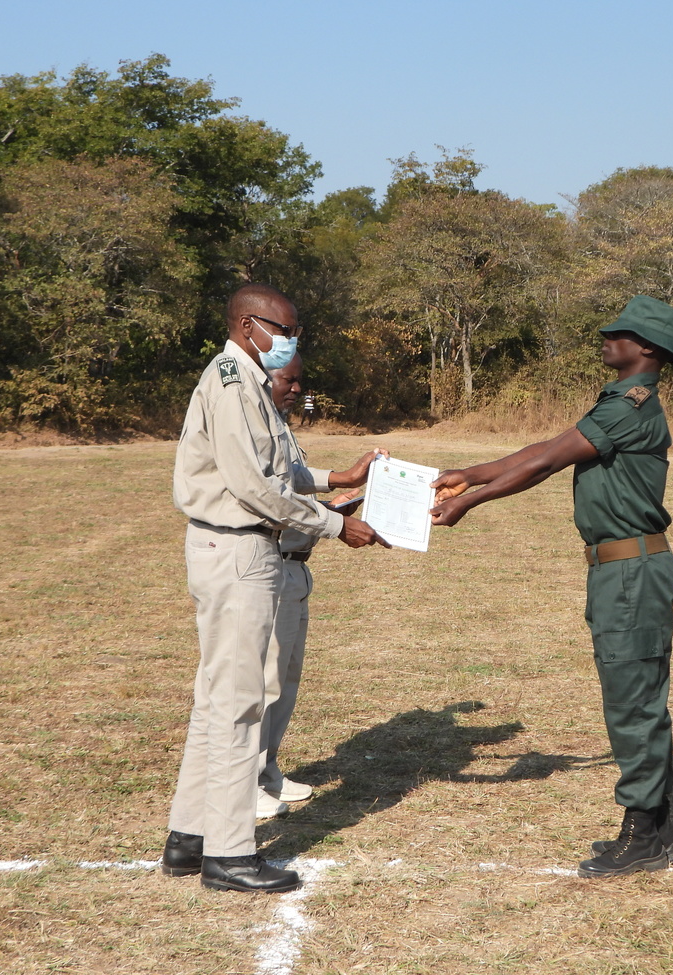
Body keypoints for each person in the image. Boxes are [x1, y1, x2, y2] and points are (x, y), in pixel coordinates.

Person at [430, 295, 673, 878]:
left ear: (645, 347)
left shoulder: (630, 405)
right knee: (633, 695)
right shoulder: (619, 404)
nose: (605, 334)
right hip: (620, 570)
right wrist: (473, 472)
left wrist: (469, 500)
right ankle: (653, 827)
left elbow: (546, 465)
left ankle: (646, 836)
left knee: (633, 702)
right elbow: (547, 449)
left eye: (618, 330)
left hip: (630, 572)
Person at [162, 283, 388, 895]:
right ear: (246, 326)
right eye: (281, 331)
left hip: (231, 548)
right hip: (239, 550)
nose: (289, 343)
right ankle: (230, 854)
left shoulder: (245, 378)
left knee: (215, 699)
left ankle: (189, 838)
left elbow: (275, 469)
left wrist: (335, 478)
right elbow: (253, 490)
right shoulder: (235, 383)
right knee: (237, 702)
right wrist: (337, 523)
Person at [257, 353, 363, 810]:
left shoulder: (282, 429)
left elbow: (296, 484)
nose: (297, 388)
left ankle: (267, 771)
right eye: (288, 379)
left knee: (285, 678)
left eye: (301, 380)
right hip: (271, 563)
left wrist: (335, 494)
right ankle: (246, 784)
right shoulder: (253, 426)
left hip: (297, 567)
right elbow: (272, 498)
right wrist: (333, 520)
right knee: (262, 681)